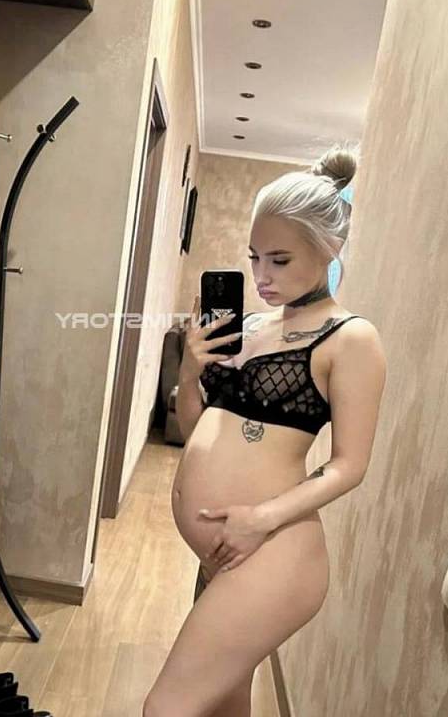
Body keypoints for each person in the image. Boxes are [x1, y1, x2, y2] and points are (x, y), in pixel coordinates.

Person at [143, 145, 387, 716]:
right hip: (226, 549)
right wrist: (190, 370)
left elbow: (350, 466)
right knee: (225, 703)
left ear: (328, 249)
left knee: (166, 708)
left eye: (279, 259)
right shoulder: (250, 326)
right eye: (254, 257)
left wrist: (260, 519)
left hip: (273, 550)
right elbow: (197, 431)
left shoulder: (351, 338)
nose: (261, 276)